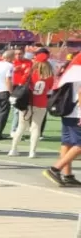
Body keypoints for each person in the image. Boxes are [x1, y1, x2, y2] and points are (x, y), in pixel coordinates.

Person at [45, 59, 81, 187]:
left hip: (68, 110)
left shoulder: (72, 70)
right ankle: (55, 169)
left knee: (67, 142)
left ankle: (68, 174)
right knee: (79, 144)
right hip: (77, 112)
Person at [10, 53, 54, 159]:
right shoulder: (49, 76)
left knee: (21, 126)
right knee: (36, 128)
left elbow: (20, 83)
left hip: (27, 102)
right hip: (41, 103)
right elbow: (49, 88)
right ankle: (32, 152)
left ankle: (13, 149)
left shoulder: (30, 73)